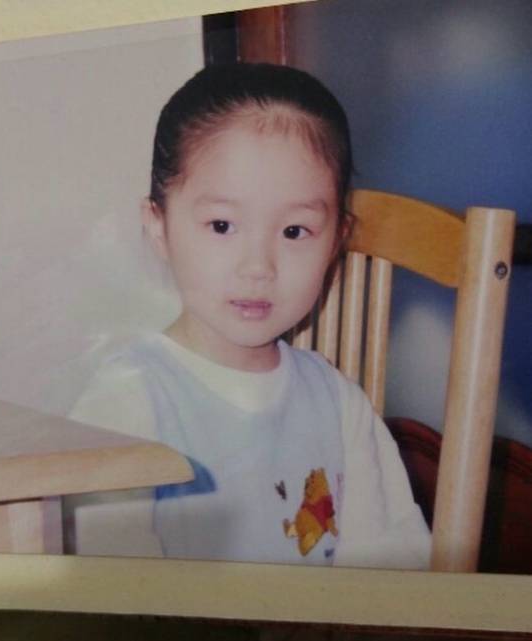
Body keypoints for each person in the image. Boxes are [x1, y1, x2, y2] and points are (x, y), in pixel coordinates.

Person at [67, 63, 431, 569]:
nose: (258, 267)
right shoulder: (124, 404)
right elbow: (113, 590)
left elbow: (390, 568)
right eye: (222, 225)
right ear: (158, 226)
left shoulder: (337, 402)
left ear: (337, 241)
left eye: (294, 231)